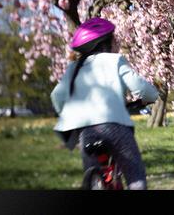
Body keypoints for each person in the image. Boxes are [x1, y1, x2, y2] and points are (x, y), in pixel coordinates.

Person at [50, 17, 159, 190]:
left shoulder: (73, 67)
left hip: (85, 132)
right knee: (135, 175)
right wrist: (151, 96)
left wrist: (65, 112)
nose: (117, 41)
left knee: (94, 178)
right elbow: (143, 90)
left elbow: (57, 96)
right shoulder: (114, 60)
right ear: (106, 42)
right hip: (114, 127)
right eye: (114, 38)